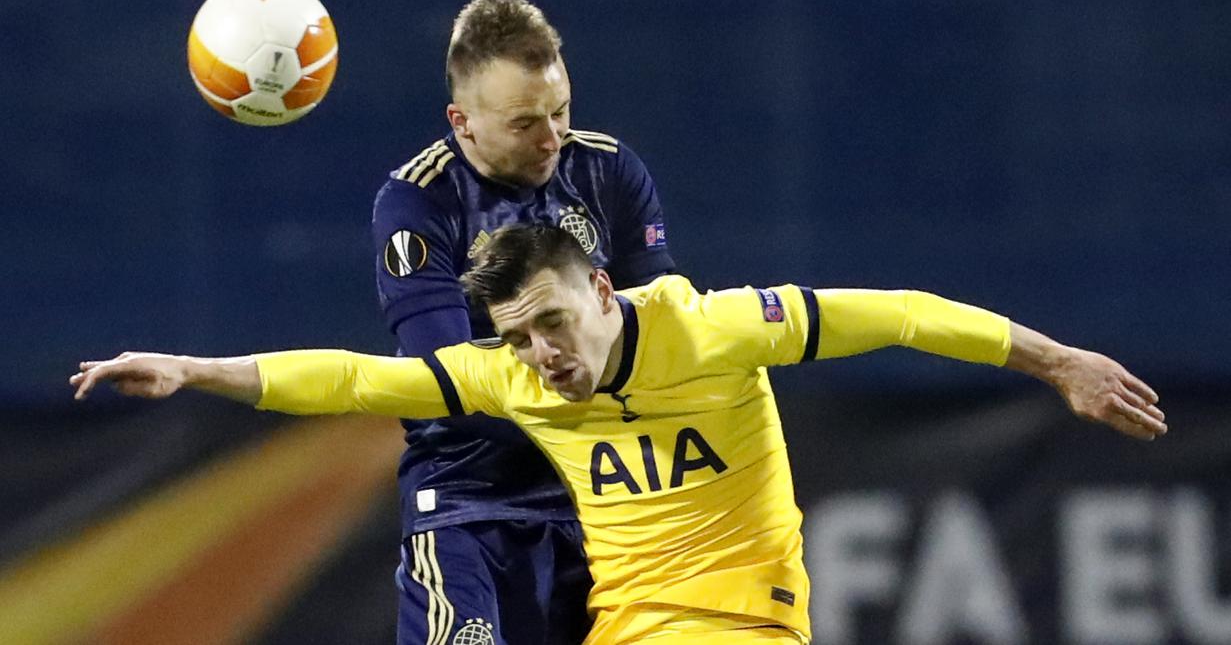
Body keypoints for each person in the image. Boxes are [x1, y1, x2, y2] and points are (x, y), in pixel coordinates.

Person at [72, 225, 1167, 644]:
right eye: (521, 333)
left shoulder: (717, 327)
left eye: (554, 319)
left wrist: (1057, 359)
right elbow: (361, 378)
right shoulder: (515, 376)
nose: (544, 350)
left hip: (739, 623)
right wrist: (195, 368)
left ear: (602, 289)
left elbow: (904, 310)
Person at [371, 0, 675, 643]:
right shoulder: (417, 200)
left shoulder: (608, 169)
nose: (551, 137)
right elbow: (448, 381)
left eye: (560, 111)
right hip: (466, 503)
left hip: (603, 498)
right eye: (523, 123)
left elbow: (663, 323)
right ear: (463, 122)